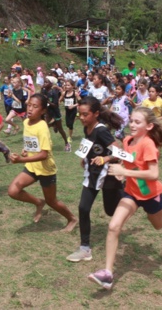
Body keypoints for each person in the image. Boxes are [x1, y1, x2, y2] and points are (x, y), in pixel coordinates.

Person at [88, 107, 162, 290]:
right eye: (131, 121)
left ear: (149, 126)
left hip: (150, 195)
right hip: (132, 193)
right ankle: (108, 274)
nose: (132, 124)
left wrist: (123, 171)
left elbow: (153, 173)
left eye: (137, 122)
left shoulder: (148, 144)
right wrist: (113, 165)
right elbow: (126, 158)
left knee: (159, 224)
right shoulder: (127, 140)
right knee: (113, 226)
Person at [7, 93, 78, 231]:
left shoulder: (42, 127)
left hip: (46, 169)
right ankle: (38, 202)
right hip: (32, 166)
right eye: (29, 105)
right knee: (13, 191)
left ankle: (72, 219)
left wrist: (22, 159)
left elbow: (44, 154)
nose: (30, 109)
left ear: (43, 111)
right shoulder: (26, 122)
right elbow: (31, 141)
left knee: (52, 201)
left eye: (35, 107)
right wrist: (26, 150)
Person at [66, 96, 124, 262]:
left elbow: (118, 151)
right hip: (92, 175)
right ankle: (85, 248)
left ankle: (130, 197)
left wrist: (104, 159)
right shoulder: (87, 128)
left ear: (96, 114)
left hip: (108, 177)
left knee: (111, 211)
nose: (82, 118)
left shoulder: (101, 130)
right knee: (83, 208)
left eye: (85, 115)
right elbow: (91, 144)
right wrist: (84, 157)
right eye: (80, 115)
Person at [61, 79, 81, 143]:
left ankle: (69, 137)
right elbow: (60, 99)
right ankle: (77, 117)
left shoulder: (75, 93)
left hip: (73, 110)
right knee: (67, 124)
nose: (67, 86)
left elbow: (81, 101)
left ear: (72, 86)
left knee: (70, 124)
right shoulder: (64, 93)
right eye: (66, 85)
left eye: (68, 85)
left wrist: (74, 105)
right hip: (67, 111)